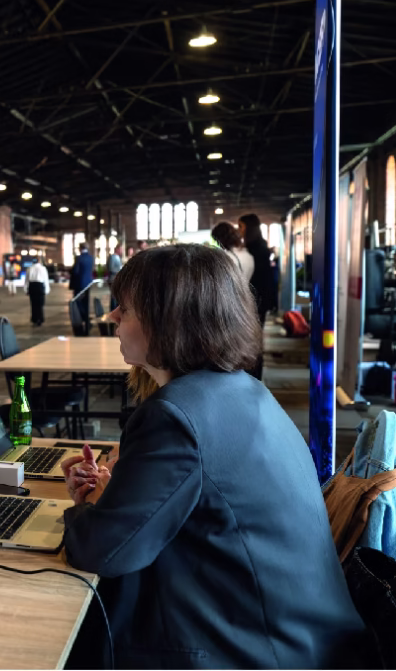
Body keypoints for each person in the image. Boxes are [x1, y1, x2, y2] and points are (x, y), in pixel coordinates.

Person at [60, 245, 365, 669]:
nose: (111, 317)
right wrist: (120, 495)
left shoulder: (174, 416)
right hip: (304, 638)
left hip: (253, 651)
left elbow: (102, 553)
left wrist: (89, 507)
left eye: (124, 309)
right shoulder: (246, 391)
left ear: (166, 322)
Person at [239, 213, 274, 381]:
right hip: (259, 300)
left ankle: (254, 376)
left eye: (241, 227)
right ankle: (254, 376)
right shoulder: (259, 247)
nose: (239, 231)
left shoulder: (255, 250)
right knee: (254, 340)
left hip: (256, 301)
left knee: (253, 341)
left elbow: (259, 280)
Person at [69, 242, 94, 325]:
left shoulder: (79, 258)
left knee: (77, 301)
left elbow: (76, 271)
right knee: (86, 302)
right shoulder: (91, 258)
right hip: (88, 283)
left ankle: (83, 317)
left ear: (80, 248)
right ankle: (86, 319)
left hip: (79, 284)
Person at [26, 259, 50, 326]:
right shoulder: (43, 268)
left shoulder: (29, 268)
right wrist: (47, 290)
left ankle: (34, 319)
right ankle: (40, 318)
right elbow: (46, 279)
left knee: (33, 304)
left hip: (32, 286)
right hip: (40, 286)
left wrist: (26, 289)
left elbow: (27, 280)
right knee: (40, 304)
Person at [107, 245, 123, 311]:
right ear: (117, 249)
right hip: (113, 279)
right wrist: (120, 271)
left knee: (117, 297)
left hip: (117, 279)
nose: (122, 251)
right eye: (121, 249)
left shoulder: (118, 257)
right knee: (113, 297)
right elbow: (111, 268)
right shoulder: (112, 257)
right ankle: (112, 311)